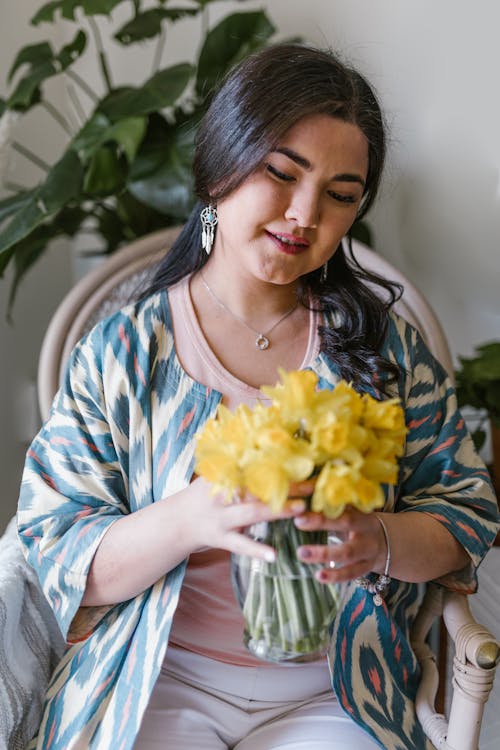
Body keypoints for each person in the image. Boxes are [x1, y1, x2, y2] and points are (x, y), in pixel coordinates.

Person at [18, 43, 498, 750]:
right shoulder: (124, 352)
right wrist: (193, 515)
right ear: (220, 169)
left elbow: (465, 512)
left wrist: (379, 542)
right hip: (159, 678)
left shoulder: (382, 350)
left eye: (341, 194)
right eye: (280, 173)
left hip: (338, 692)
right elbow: (55, 554)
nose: (305, 214)